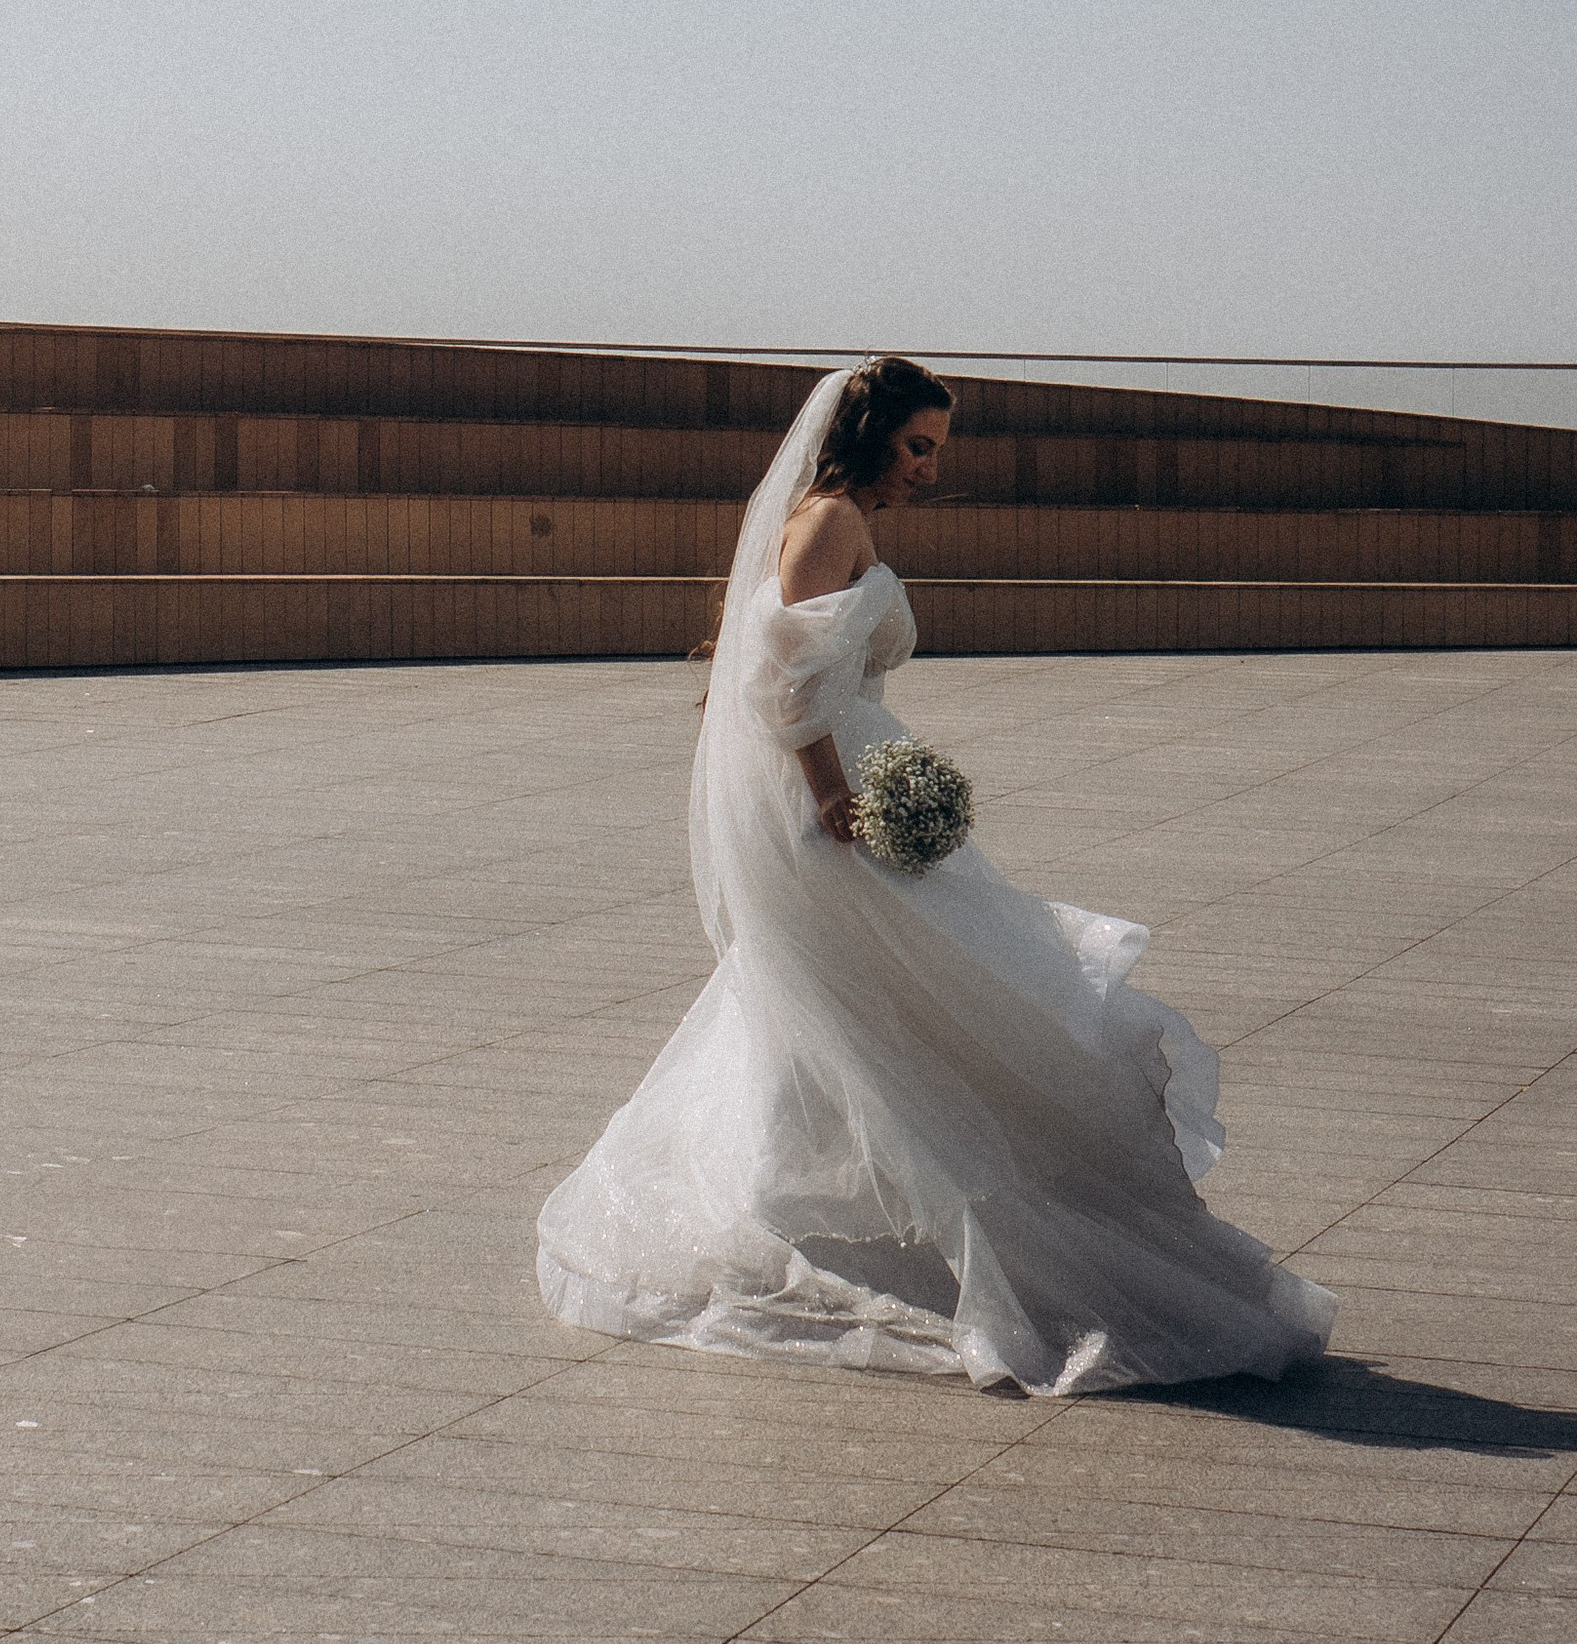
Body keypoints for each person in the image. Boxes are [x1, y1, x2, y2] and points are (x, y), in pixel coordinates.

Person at [536, 356, 1334, 1393]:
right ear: (869, 437)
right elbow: (785, 682)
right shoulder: (828, 523)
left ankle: (815, 1195)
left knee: (860, 995)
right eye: (917, 446)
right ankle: (860, 1203)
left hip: (850, 775)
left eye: (936, 449)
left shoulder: (841, 522)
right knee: (894, 989)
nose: (929, 468)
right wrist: (835, 795)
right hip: (826, 803)